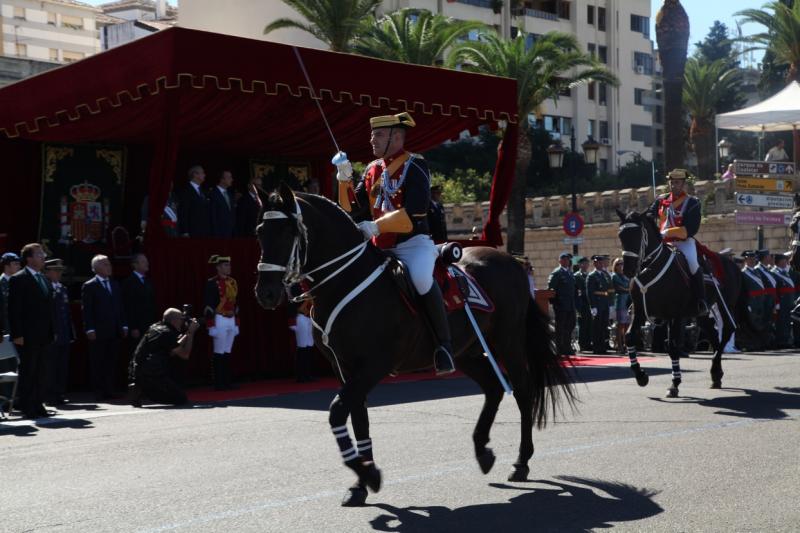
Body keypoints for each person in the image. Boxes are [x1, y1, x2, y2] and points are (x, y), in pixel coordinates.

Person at [334, 111, 455, 375]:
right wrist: (343, 180)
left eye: (378, 135)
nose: (371, 140)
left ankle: (444, 346)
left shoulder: (415, 165)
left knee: (422, 279)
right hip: (379, 245)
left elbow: (416, 211)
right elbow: (352, 210)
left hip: (413, 243)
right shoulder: (370, 169)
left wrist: (376, 225)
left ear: (396, 136)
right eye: (372, 135)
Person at [646, 168, 707, 315]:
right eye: (672, 182)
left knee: (693, 264)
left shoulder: (692, 202)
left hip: (683, 242)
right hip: (662, 243)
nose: (674, 185)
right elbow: (649, 215)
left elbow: (691, 229)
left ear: (684, 184)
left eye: (677, 183)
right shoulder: (661, 200)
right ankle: (639, 300)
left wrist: (666, 232)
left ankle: (700, 300)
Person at [8, 243, 54, 418]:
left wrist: (52, 330)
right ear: (29, 258)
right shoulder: (18, 279)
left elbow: (49, 309)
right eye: (39, 254)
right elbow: (14, 309)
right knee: (29, 371)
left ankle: (38, 404)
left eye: (43, 253)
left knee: (42, 372)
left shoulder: (44, 278)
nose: (43, 256)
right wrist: (17, 334)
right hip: (27, 335)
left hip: (44, 334)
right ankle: (27, 406)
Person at [129, 308, 199, 407]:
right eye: (181, 319)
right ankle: (142, 391)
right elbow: (185, 355)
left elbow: (173, 345)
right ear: (173, 321)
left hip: (139, 371)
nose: (183, 322)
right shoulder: (167, 333)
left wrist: (187, 332)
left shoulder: (156, 327)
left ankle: (139, 387)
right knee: (181, 398)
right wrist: (191, 333)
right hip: (152, 375)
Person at [82, 254, 128, 401]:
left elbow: (120, 307)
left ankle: (109, 389)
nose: (109, 267)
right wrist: (89, 329)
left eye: (109, 264)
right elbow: (87, 310)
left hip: (114, 329)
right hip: (98, 330)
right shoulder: (89, 285)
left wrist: (124, 324)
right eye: (104, 264)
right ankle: (98, 391)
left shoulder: (115, 284)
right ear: (95, 268)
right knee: (98, 361)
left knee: (111, 361)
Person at [204, 255, 239, 390]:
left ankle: (227, 381)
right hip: (219, 318)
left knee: (227, 351)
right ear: (218, 267)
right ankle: (218, 382)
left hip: (231, 319)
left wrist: (236, 323)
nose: (228, 267)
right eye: (225, 265)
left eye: (229, 265)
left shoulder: (233, 282)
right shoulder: (212, 283)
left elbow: (235, 304)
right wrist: (211, 325)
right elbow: (208, 306)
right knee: (219, 352)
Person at [43, 259, 73, 406]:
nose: (59, 274)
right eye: (56, 270)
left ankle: (59, 393)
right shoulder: (46, 288)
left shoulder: (62, 288)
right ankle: (49, 395)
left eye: (60, 271)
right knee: (50, 367)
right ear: (47, 272)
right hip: (51, 335)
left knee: (62, 366)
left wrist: (70, 333)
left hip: (63, 334)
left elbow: (66, 314)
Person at [122, 253, 157, 359]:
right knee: (137, 354)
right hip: (137, 327)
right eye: (143, 261)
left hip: (148, 325)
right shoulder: (128, 283)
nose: (147, 263)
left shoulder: (148, 281)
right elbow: (128, 306)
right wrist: (133, 327)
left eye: (146, 261)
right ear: (135, 265)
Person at [0, 252, 21, 404]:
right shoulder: (1, 283)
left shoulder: (17, 282)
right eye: (15, 264)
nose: (18, 266)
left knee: (17, 364)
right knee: (6, 365)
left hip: (17, 330)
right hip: (5, 331)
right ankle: (7, 400)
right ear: (6, 266)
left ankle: (16, 398)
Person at [547, 252, 576, 356]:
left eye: (567, 260)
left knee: (570, 326)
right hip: (561, 305)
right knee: (560, 328)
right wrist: (556, 304)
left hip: (570, 304)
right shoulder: (557, 273)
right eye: (564, 259)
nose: (566, 261)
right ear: (559, 261)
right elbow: (551, 289)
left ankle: (567, 347)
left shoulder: (569, 273)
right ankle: (559, 349)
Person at [177, 165, 211, 238]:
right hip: (192, 232)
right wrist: (185, 231)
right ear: (195, 174)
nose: (204, 175)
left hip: (204, 232)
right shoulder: (186, 191)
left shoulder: (203, 191)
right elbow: (183, 212)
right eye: (202, 173)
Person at [586, 255, 611, 355]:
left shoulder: (604, 274)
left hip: (604, 303)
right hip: (597, 303)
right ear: (594, 264)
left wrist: (609, 303)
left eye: (601, 262)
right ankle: (596, 347)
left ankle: (602, 347)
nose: (600, 264)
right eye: (597, 263)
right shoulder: (591, 276)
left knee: (603, 326)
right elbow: (590, 292)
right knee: (597, 326)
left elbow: (607, 290)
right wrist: (593, 306)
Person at [770, 252, 795, 348]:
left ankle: (786, 339)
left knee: (787, 321)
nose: (786, 262)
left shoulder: (784, 272)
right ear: (780, 261)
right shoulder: (774, 272)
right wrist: (776, 302)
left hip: (788, 301)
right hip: (781, 301)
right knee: (781, 322)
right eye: (785, 260)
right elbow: (775, 289)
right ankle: (781, 341)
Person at [755, 249, 778, 348]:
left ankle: (768, 342)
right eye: (769, 256)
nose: (770, 258)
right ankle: (762, 342)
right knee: (764, 321)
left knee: (769, 321)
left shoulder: (767, 269)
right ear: (764, 257)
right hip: (764, 299)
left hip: (771, 299)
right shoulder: (758, 270)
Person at [290, 300, 316, 383]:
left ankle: (307, 375)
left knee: (308, 352)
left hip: (308, 320)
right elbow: (300, 308)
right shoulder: (297, 317)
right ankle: (300, 376)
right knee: (302, 352)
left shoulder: (307, 318)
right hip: (300, 320)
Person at [611, 258, 631, 354]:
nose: (621, 265)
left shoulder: (626, 275)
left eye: (623, 263)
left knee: (627, 325)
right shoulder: (615, 276)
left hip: (628, 302)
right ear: (616, 265)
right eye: (619, 264)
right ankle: (619, 345)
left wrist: (628, 288)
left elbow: (630, 285)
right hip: (620, 302)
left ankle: (626, 345)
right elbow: (620, 287)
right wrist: (628, 289)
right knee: (621, 325)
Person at [573, 256, 593, 352]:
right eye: (583, 263)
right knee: (582, 325)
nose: (585, 265)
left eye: (587, 263)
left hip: (589, 303)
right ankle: (582, 344)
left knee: (589, 324)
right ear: (580, 265)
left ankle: (588, 343)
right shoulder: (577, 276)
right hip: (581, 303)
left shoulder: (589, 275)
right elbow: (577, 291)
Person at [209, 170, 236, 238]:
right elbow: (212, 215)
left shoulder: (230, 194)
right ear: (222, 180)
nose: (232, 179)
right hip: (218, 234)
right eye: (229, 177)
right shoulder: (213, 194)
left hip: (230, 233)